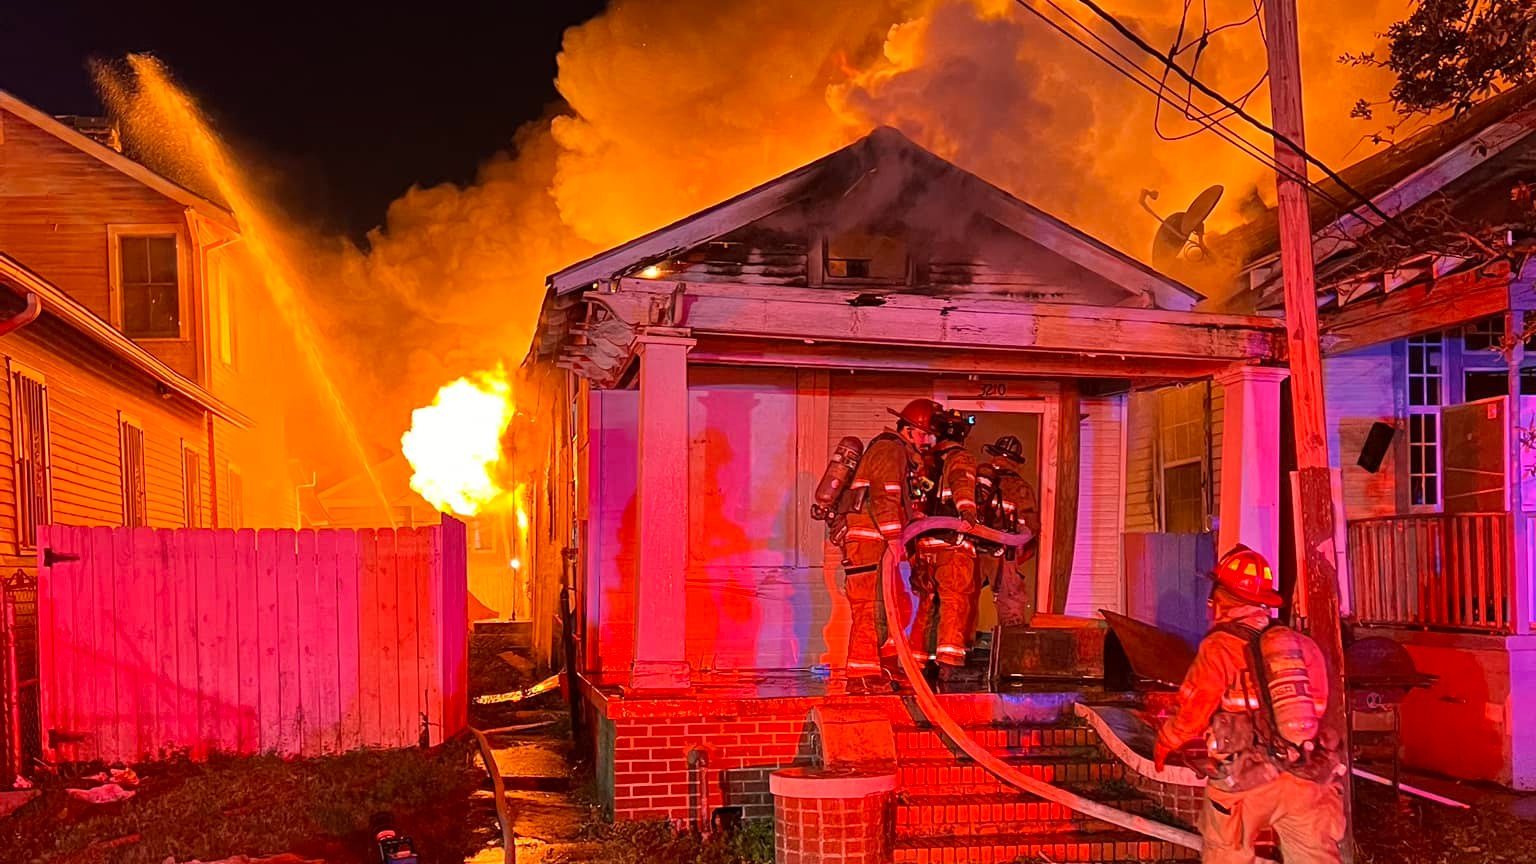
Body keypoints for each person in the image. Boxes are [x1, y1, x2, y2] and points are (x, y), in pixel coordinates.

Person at [1154, 545, 1346, 864]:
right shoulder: (1301, 646)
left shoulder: (1219, 647)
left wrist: (1166, 740)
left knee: (1225, 854)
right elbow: (1320, 707)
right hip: (1306, 775)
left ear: (1219, 599)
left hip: (1245, 781)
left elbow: (1193, 712)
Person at [839, 398, 938, 691]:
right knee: (869, 608)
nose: (927, 441)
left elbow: (893, 499)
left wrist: (913, 516)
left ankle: (886, 663)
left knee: (895, 606)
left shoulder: (900, 454)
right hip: (869, 543)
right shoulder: (889, 449)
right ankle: (861, 676)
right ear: (906, 430)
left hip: (877, 542)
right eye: (922, 434)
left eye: (930, 435)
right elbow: (885, 495)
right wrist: (895, 537)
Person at [909, 408, 979, 684]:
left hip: (923, 543)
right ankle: (948, 665)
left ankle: (917, 662)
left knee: (926, 602)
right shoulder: (961, 458)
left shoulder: (924, 461)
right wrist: (969, 515)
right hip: (951, 542)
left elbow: (917, 496)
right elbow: (963, 485)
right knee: (954, 602)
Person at [975, 435, 1041, 628]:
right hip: (1005, 556)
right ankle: (1011, 652)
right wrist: (1022, 554)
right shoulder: (1021, 488)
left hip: (972, 552)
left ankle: (960, 651)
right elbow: (1031, 529)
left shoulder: (979, 483)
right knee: (1011, 605)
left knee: (964, 605)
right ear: (1015, 460)